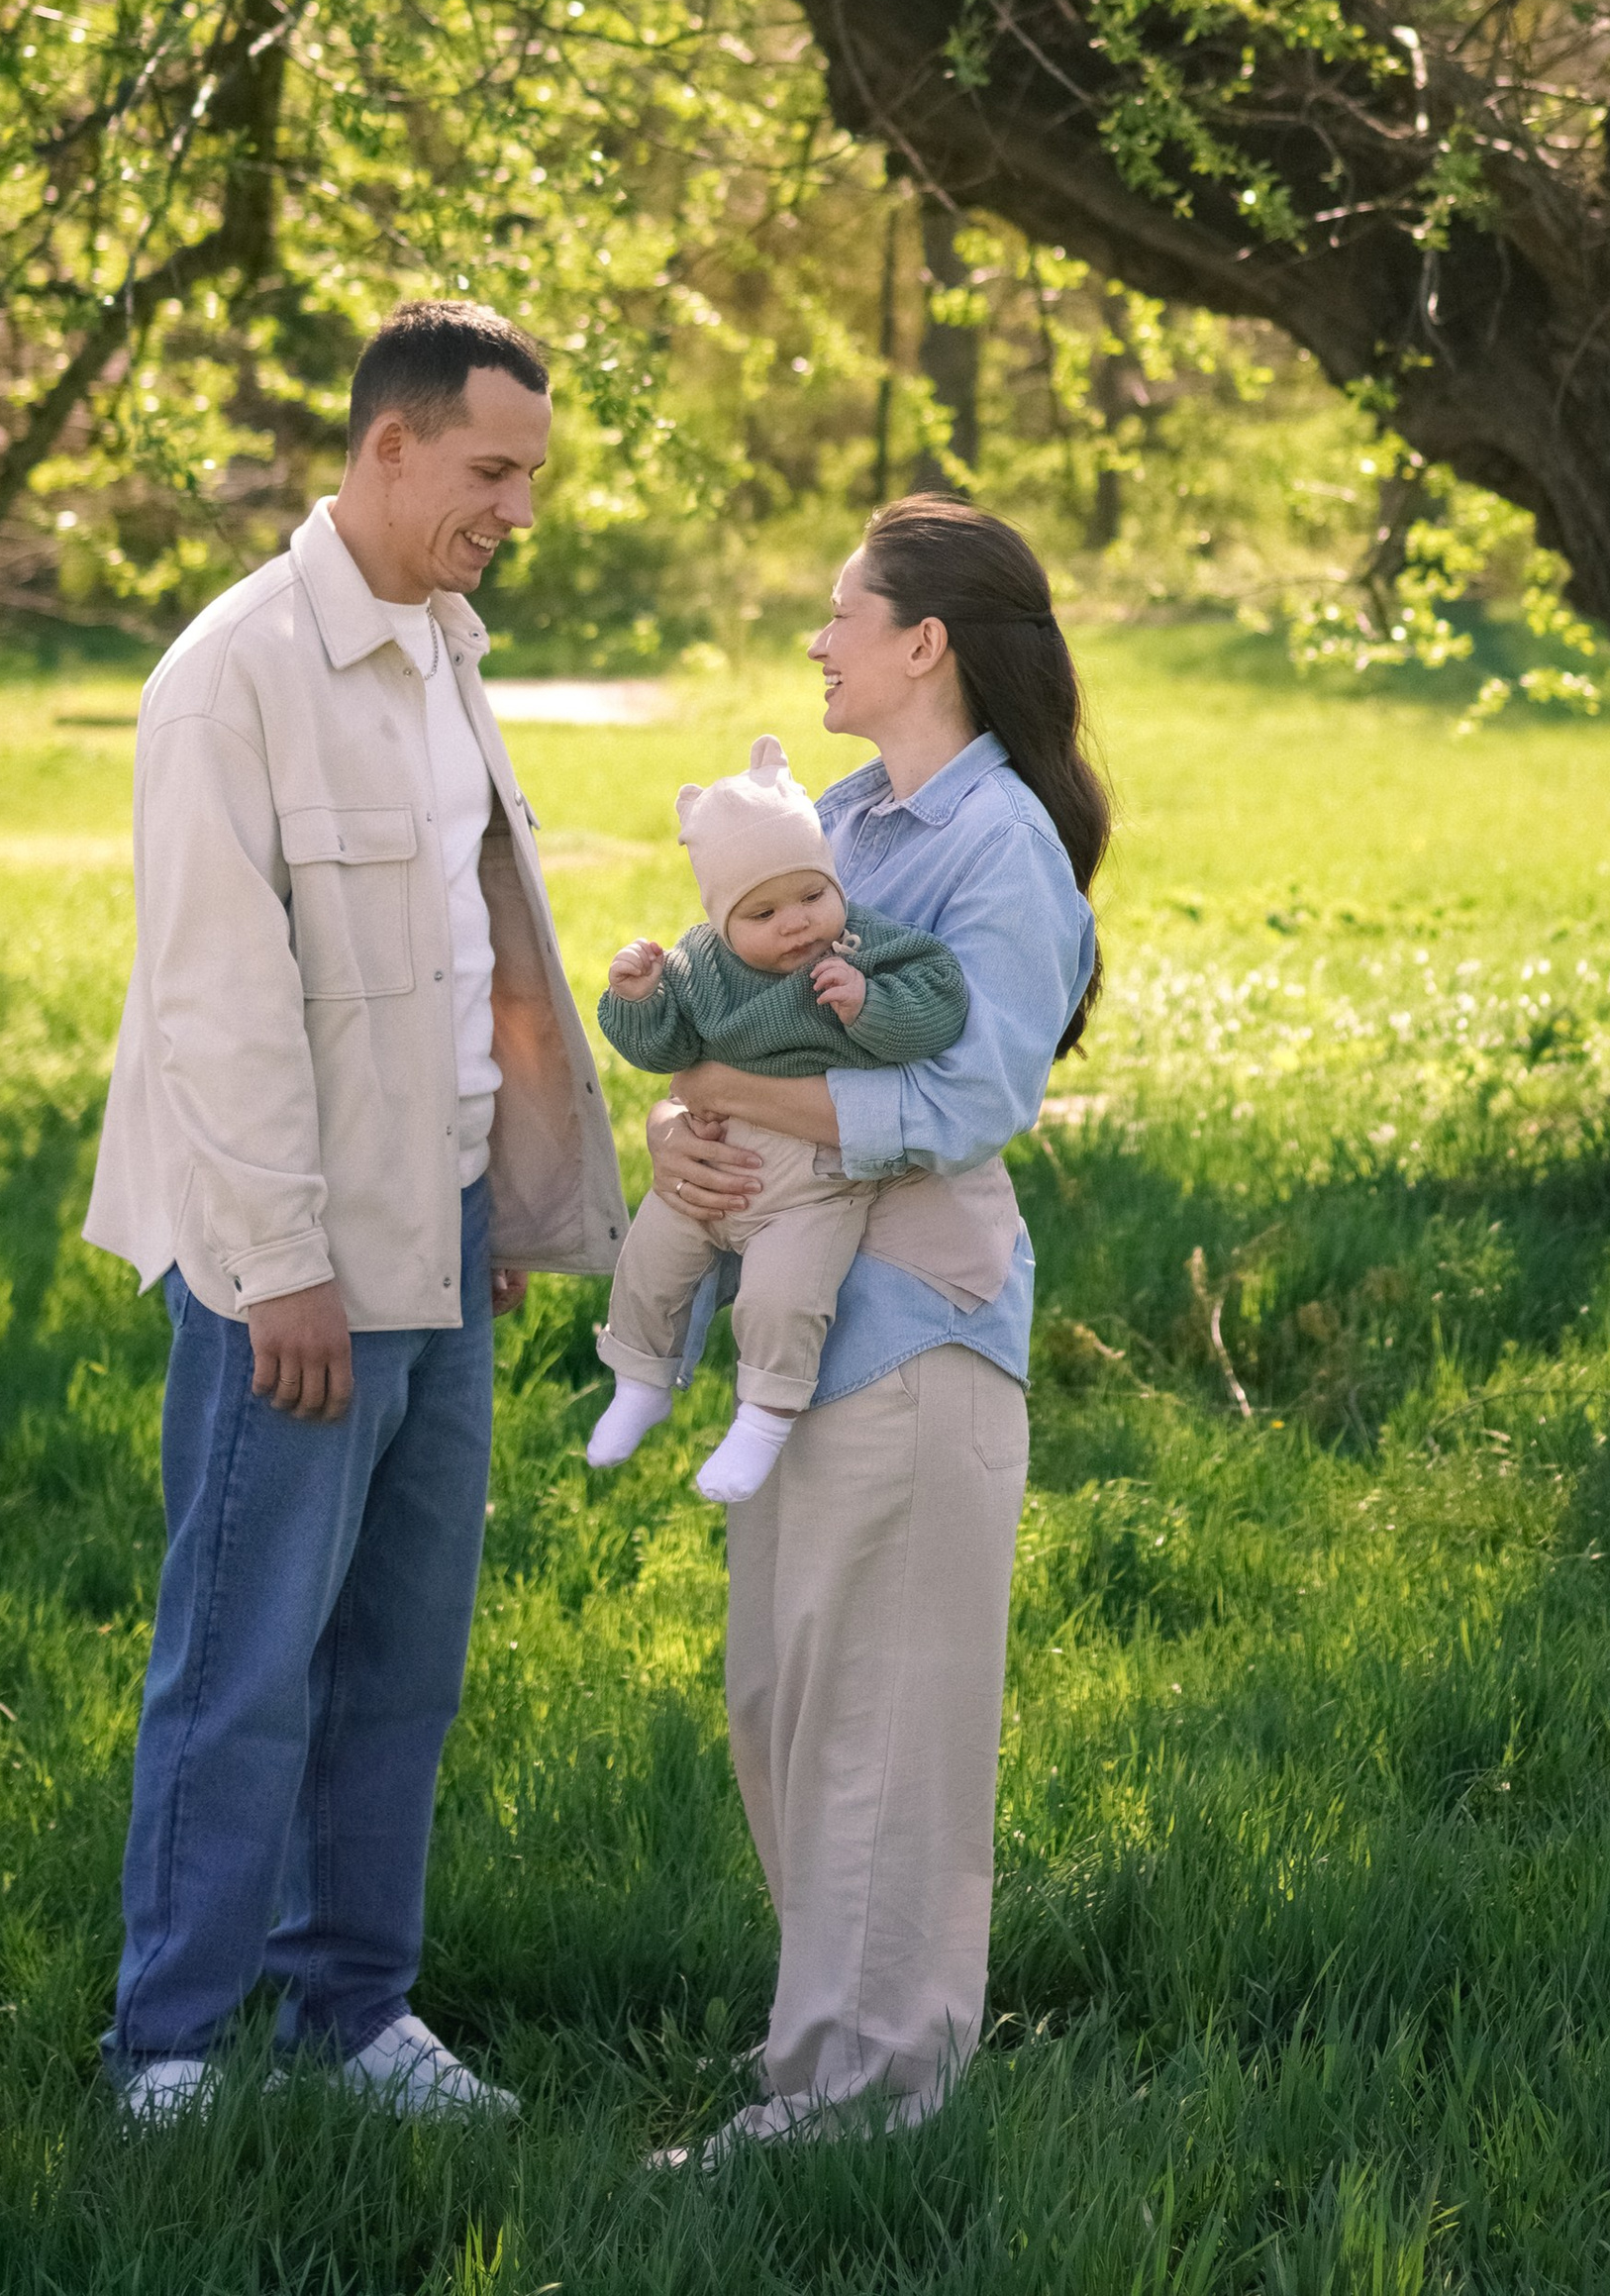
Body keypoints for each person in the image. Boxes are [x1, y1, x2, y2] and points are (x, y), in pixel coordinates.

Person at [81, 300, 629, 2124]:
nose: (517, 510)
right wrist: (282, 1270)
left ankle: (353, 2014)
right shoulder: (228, 677)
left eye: (532, 476)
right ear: (387, 448)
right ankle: (172, 2047)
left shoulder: (442, 647)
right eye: (492, 471)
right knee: (244, 1662)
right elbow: (218, 1006)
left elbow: (460, 958)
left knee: (402, 1658)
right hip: (291, 1270)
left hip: (441, 1241)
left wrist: (489, 1198)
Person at [643, 495, 1108, 2157]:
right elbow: (747, 1032)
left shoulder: (1001, 848)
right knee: (784, 1704)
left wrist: (717, 1084)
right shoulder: (846, 820)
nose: (821, 637)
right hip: (805, 1319)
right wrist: (682, 1128)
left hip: (921, 1325)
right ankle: (831, 2071)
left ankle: (871, 2103)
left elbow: (966, 1095)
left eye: (846, 610)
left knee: (885, 1735)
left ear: (928, 642)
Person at [587, 733, 970, 1502]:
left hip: (815, 1180)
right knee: (647, 1264)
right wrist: (637, 1000)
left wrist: (871, 1007)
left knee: (782, 1299)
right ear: (722, 920)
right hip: (713, 1158)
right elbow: (665, 1050)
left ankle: (762, 1419)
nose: (796, 922)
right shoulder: (701, 966)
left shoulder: (864, 946)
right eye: (762, 912)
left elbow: (942, 1001)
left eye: (811, 895)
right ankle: (639, 1382)